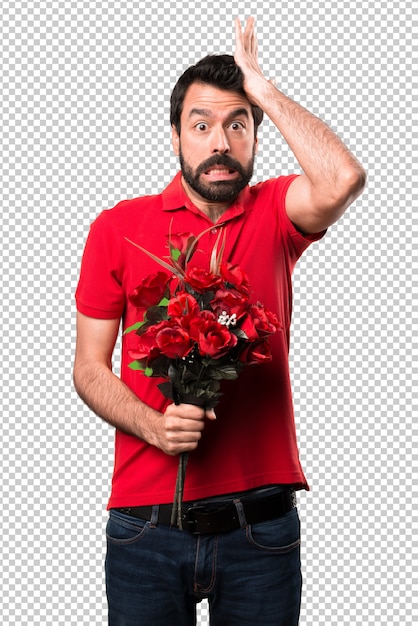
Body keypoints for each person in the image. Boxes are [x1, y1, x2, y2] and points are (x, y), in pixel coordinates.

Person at [73, 17, 366, 626]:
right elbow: (88, 368)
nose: (220, 143)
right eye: (202, 125)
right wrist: (152, 426)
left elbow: (343, 179)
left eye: (238, 125)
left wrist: (262, 90)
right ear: (175, 135)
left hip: (260, 526)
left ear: (257, 136)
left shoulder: (275, 214)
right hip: (145, 526)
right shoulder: (117, 227)